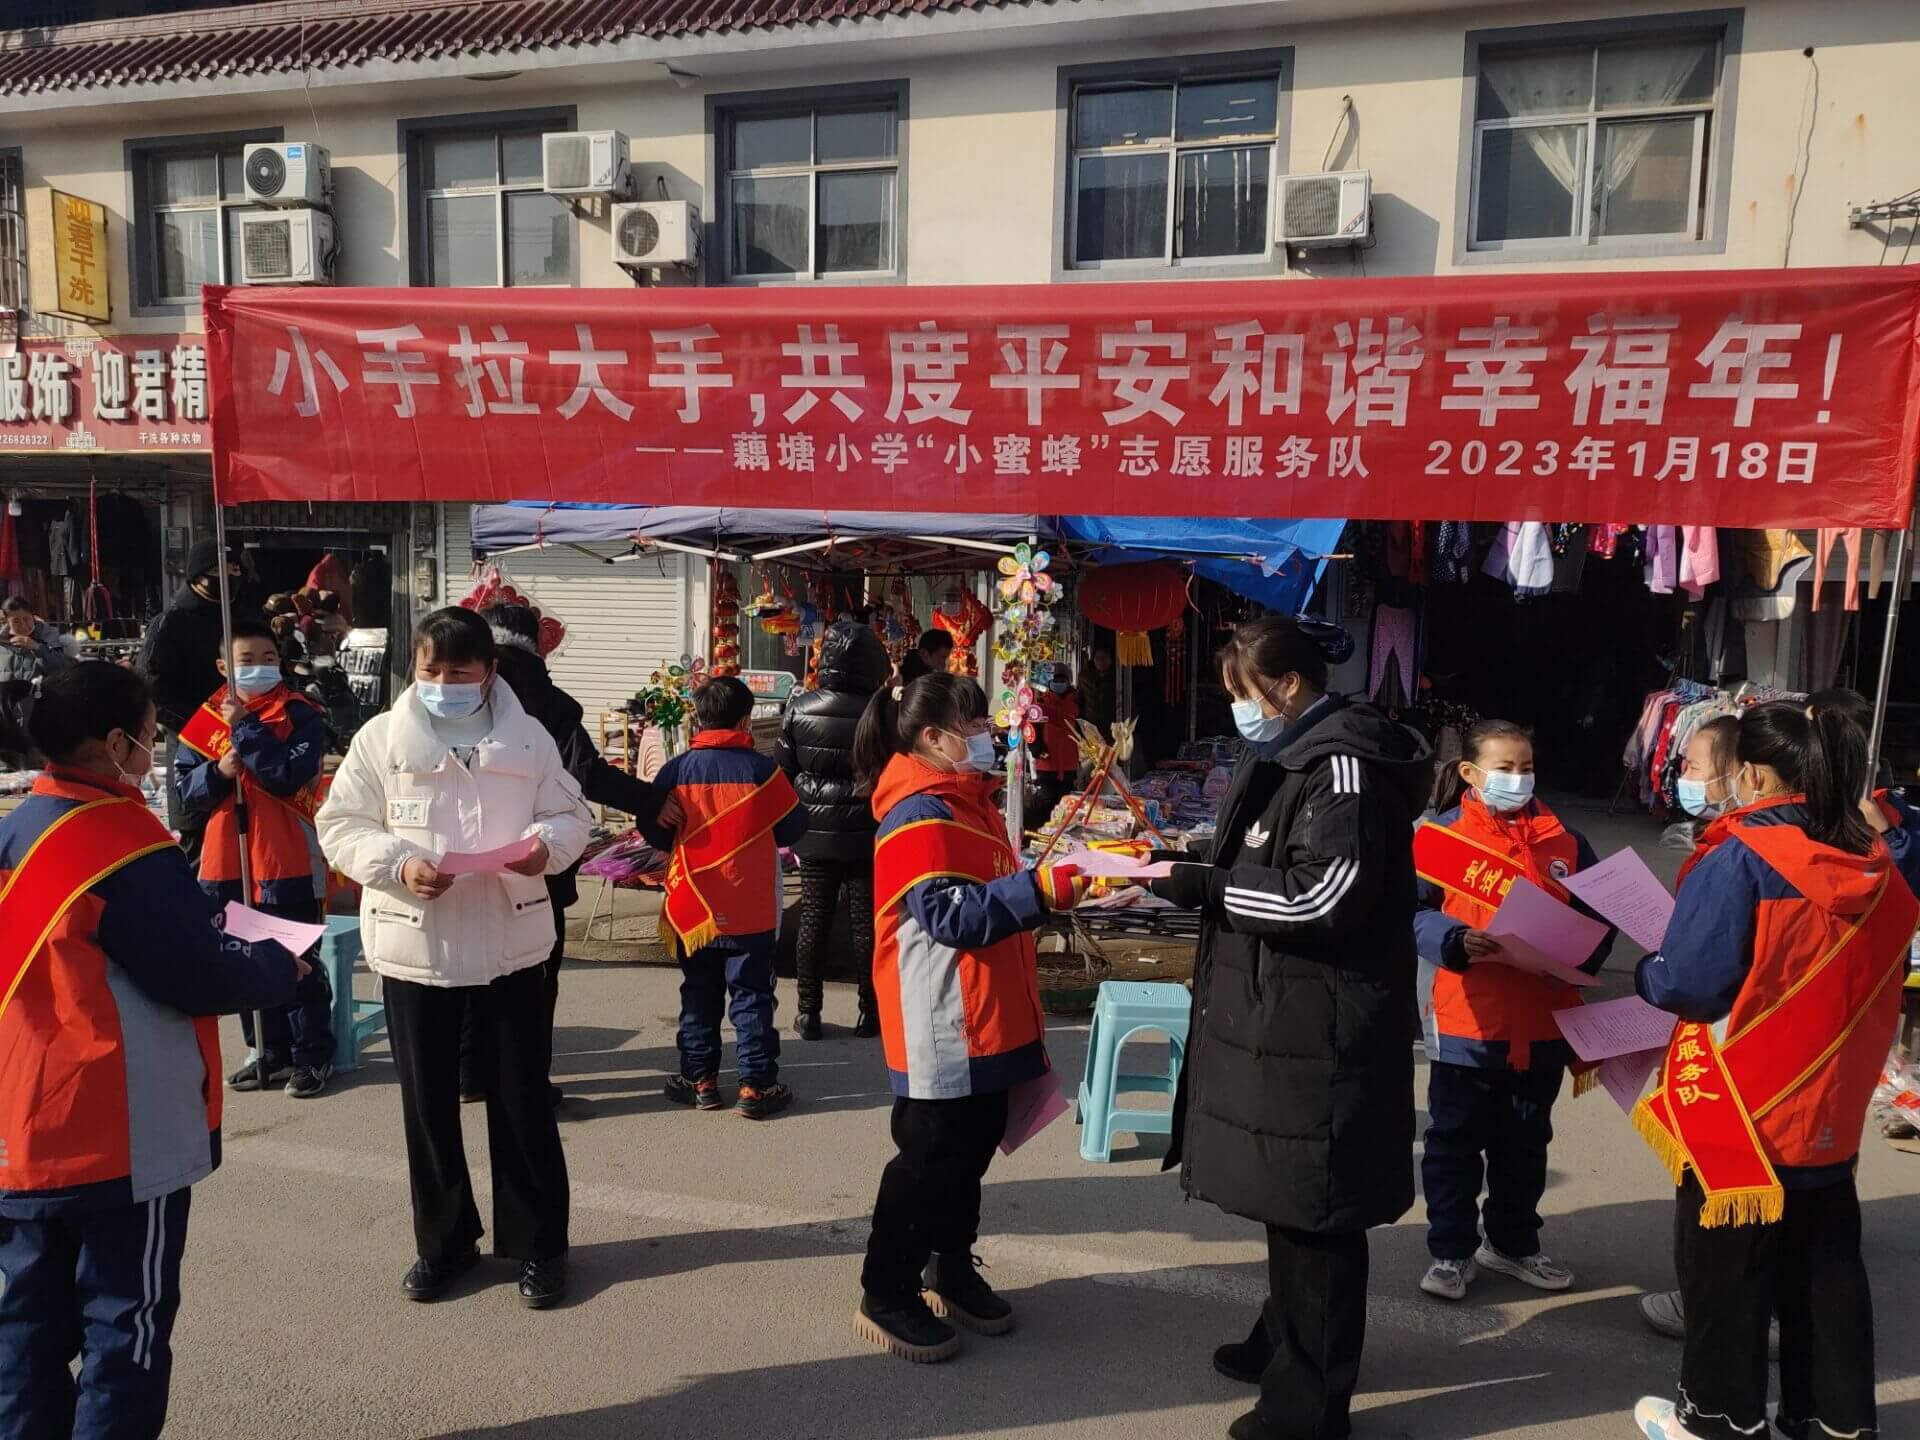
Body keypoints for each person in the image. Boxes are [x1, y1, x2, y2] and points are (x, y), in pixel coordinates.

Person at [0, 662, 303, 1440]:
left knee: (26, 1329)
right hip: (113, 1129)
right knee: (124, 1329)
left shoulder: (18, 828)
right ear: (114, 743)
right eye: (147, 731)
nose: (154, 745)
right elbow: (196, 973)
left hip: (19, 1125)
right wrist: (281, 967)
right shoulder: (119, 841)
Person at [1146, 614, 1431, 1440]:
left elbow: (1324, 896)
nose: (1239, 710)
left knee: (1316, 1210)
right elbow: (1263, 851)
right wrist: (1193, 862)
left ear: (1289, 686)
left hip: (1324, 1022)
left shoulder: (1342, 766)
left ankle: (1309, 1404)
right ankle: (1284, 1340)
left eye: (1245, 693)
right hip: (1287, 1010)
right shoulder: (1290, 750)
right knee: (1290, 1195)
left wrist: (1209, 887)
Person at [1631, 703, 1916, 1440]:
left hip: (1742, 1108)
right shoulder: (1880, 864)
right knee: (1825, 1274)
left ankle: (1715, 1422)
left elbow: (1690, 984)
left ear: (1753, 774)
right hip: (1831, 1108)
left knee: (1726, 1275)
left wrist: (1646, 972)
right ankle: (1830, 1423)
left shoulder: (1740, 859)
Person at [316, 608, 590, 1310]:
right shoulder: (381, 738)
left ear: (489, 673)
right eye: (430, 670)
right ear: (414, 668)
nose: (443, 683)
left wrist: (543, 848)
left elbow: (572, 816)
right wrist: (397, 864)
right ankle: (444, 1244)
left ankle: (539, 1246)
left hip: (512, 943)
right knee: (428, 1107)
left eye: (459, 672)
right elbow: (340, 824)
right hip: (416, 945)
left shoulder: (528, 738)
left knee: (522, 1102)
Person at [850, 672, 1089, 1362]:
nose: (989, 735)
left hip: (987, 1012)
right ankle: (886, 1290)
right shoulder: (917, 814)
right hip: (943, 1019)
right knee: (929, 1158)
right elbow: (950, 916)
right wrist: (1037, 891)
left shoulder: (968, 803)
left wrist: (1039, 885)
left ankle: (949, 1266)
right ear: (933, 737)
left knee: (971, 1150)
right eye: (976, 726)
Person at [1411, 719, 1614, 1302]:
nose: (1519, 779)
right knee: (1454, 1143)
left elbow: (1600, 918)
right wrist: (1454, 940)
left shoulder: (1566, 841)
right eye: (1505, 768)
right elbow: (1410, 913)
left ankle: (1513, 1244)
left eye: (1526, 767)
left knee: (1525, 1144)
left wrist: (1583, 955)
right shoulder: (1439, 837)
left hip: (1544, 1021)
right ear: (1470, 773)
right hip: (1466, 1020)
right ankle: (1451, 1252)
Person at [469, 603, 664, 1106]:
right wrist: (651, 801)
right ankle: (528, 1081)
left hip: (468, 863)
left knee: (474, 971)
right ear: (537, 644)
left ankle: (471, 1075)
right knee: (535, 978)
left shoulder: (461, 692)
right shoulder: (551, 702)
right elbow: (587, 775)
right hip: (540, 861)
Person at [173, 615, 336, 1099]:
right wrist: (218, 773)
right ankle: (267, 1050)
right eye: (246, 660)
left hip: (289, 861)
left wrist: (245, 730)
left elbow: (286, 776)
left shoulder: (301, 715)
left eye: (269, 658)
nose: (259, 667)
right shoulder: (204, 723)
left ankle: (312, 1054)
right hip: (228, 862)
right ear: (224, 666)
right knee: (245, 959)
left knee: (296, 958)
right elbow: (185, 797)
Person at [638, 675, 807, 1119]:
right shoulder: (762, 771)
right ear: (746, 720)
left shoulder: (676, 770)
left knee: (698, 994)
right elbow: (793, 828)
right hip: (750, 906)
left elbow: (652, 829)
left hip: (693, 907)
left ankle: (701, 1081)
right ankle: (755, 1086)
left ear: (698, 718)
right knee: (752, 997)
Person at [778, 616, 890, 1041]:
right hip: (867, 830)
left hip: (814, 831)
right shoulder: (881, 710)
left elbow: (785, 769)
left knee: (813, 919)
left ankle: (808, 1012)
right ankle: (870, 1013)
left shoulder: (800, 707)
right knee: (866, 924)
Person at [139, 538, 243, 852]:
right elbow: (154, 690)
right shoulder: (169, 624)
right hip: (194, 749)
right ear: (198, 576)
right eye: (220, 572)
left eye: (235, 571)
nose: (230, 578)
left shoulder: (243, 620)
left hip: (245, 745)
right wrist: (207, 727)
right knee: (200, 845)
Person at [1031, 667, 1083, 816]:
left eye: (1062, 680)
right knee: (1046, 802)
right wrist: (1037, 748)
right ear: (1049, 682)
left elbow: (1082, 728)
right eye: (1056, 680)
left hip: (1068, 763)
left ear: (1068, 682)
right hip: (1047, 763)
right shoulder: (1041, 703)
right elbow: (1031, 730)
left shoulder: (1076, 704)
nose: (1059, 683)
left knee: (1066, 804)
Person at [1079, 645, 1117, 733]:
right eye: (1098, 658)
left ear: (1111, 659)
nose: (1101, 661)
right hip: (1090, 725)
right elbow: (1079, 701)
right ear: (1093, 659)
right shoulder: (1085, 678)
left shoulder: (1117, 678)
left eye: (1105, 658)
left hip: (1112, 726)